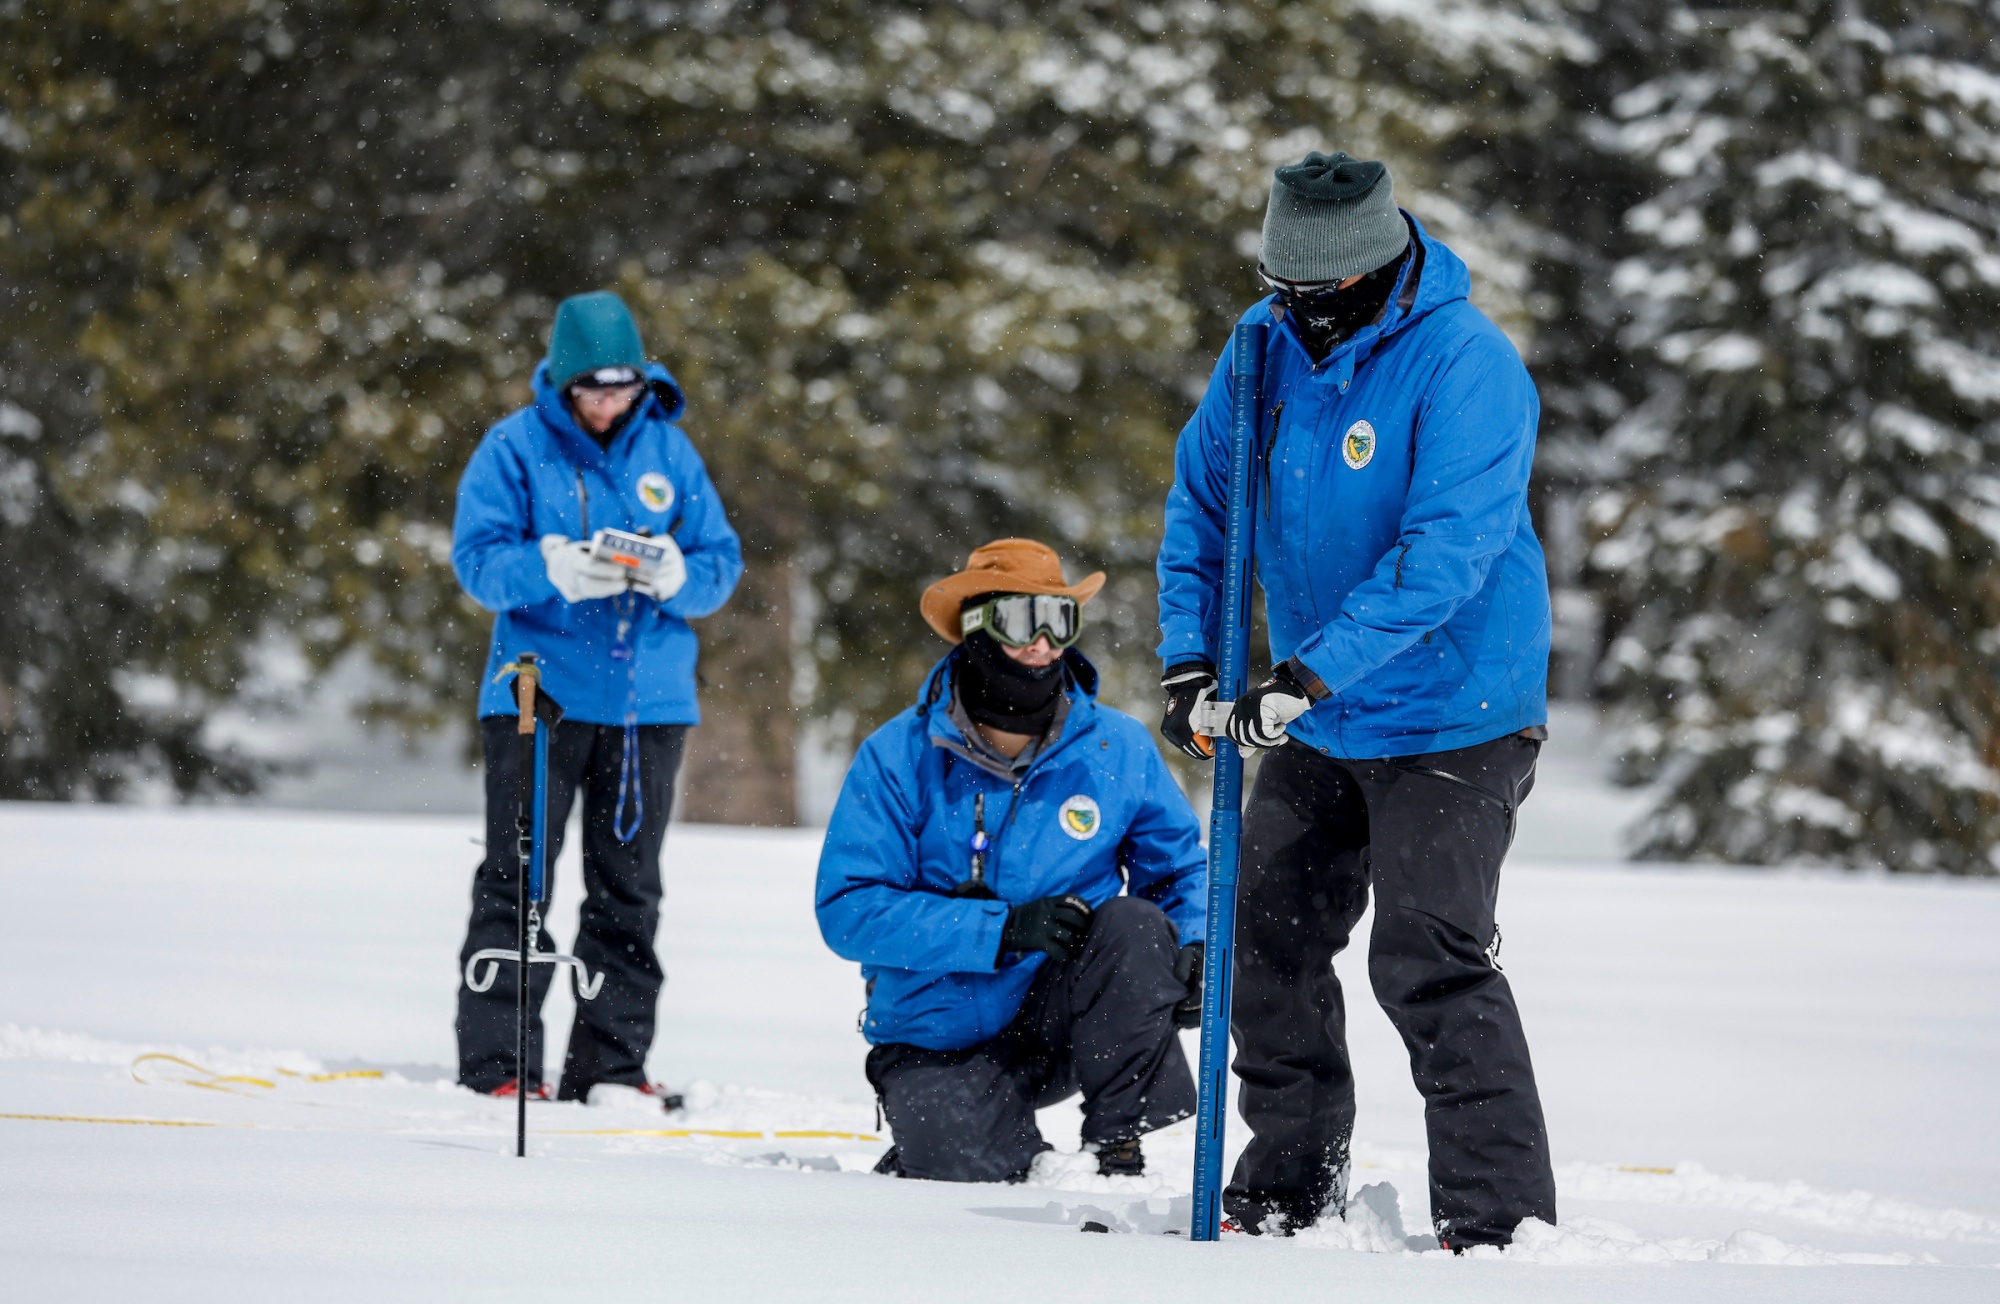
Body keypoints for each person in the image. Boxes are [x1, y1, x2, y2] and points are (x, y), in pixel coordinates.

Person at [1156, 152, 1555, 1247]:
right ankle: (1288, 1192)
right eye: (1279, 287)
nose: (1298, 312)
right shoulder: (1260, 346)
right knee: (1263, 944)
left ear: (1375, 270)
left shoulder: (1466, 362)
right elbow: (1202, 509)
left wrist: (1306, 673)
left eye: (1319, 293)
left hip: (1454, 712)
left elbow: (1447, 553)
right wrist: (1189, 663)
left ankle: (1498, 1225)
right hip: (1324, 716)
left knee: (1427, 955)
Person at [816, 539, 1208, 1182]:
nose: (1044, 644)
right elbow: (848, 908)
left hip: (1061, 1021)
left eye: (1061, 620)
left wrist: (1193, 943)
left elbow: (1179, 870)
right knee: (971, 1173)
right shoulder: (897, 755)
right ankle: (942, 1138)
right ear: (976, 626)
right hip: (935, 1032)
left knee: (1135, 926)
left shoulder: (1117, 747)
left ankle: (1116, 1147)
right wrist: (997, 930)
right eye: (1023, 621)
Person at [451, 290, 743, 1106]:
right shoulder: (513, 447)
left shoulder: (671, 453)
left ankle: (610, 1066)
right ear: (562, 380)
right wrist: (550, 567)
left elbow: (720, 564)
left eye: (622, 387)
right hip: (535, 697)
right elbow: (477, 563)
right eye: (591, 388)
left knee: (629, 889)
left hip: (648, 706)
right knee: (519, 877)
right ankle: (500, 1065)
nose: (608, 404)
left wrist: (678, 575)